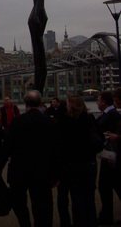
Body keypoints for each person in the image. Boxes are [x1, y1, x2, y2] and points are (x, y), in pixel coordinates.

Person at [0, 89, 61, 227]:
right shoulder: (51, 123)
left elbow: (7, 148)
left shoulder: (17, 122)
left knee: (19, 203)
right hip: (43, 171)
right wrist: (56, 174)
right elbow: (56, 150)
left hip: (19, 171)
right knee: (43, 204)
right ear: (40, 103)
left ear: (25, 104)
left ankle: (25, 223)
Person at [58, 94, 102, 227]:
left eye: (67, 104)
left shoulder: (64, 121)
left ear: (70, 106)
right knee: (89, 197)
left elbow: (60, 143)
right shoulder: (89, 118)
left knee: (76, 198)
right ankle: (92, 222)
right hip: (89, 163)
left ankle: (79, 222)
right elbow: (99, 139)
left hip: (72, 165)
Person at [96, 90, 121, 225]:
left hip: (113, 157)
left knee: (107, 186)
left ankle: (106, 217)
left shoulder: (112, 115)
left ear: (104, 102)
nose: (97, 102)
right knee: (106, 186)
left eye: (99, 100)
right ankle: (106, 216)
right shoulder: (110, 114)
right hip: (109, 157)